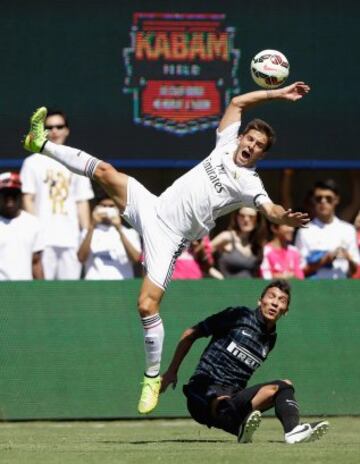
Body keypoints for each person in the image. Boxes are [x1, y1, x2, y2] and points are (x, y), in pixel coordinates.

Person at [23, 81, 310, 414]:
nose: (252, 145)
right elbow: (237, 102)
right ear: (243, 136)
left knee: (146, 306)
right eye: (251, 138)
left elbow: (270, 209)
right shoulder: (225, 142)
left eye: (259, 145)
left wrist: (284, 218)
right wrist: (277, 94)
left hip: (171, 237)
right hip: (153, 208)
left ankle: (151, 377)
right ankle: (39, 142)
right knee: (104, 172)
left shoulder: (250, 183)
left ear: (262, 153)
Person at [161, 280, 329, 444]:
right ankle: (239, 425)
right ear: (260, 300)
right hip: (203, 391)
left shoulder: (271, 339)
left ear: (286, 311)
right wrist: (171, 371)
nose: (275, 303)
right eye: (271, 297)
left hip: (234, 398)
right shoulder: (239, 315)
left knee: (284, 385)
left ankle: (292, 431)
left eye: (281, 301)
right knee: (221, 402)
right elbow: (191, 333)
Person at [20, 109, 94, 280]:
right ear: (43, 131)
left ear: (66, 130)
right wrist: (36, 231)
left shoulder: (77, 160)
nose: (54, 131)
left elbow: (82, 201)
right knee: (43, 292)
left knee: (70, 292)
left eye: (59, 126)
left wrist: (85, 234)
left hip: (71, 239)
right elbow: (27, 198)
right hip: (43, 239)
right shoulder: (32, 162)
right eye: (49, 127)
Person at [295, 179, 360, 279]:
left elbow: (355, 270)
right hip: (314, 290)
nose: (323, 201)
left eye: (328, 198)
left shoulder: (348, 230)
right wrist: (324, 260)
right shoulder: (304, 232)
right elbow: (299, 271)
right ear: (313, 200)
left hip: (342, 288)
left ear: (336, 200)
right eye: (318, 198)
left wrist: (348, 257)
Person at [78, 196, 142, 280]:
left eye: (111, 206)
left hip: (122, 285)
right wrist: (92, 225)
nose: (107, 209)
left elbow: (136, 259)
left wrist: (119, 229)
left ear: (118, 209)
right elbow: (81, 258)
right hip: (93, 285)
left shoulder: (130, 233)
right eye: (103, 206)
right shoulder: (87, 232)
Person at [0, 172, 44, 280]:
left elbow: (36, 263)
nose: (9, 199)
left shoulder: (33, 224)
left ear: (20, 195)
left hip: (24, 291)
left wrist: (43, 294)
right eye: (5, 194)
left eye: (13, 194)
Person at [211, 207, 266, 278]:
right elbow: (201, 256)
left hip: (250, 287)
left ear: (258, 220)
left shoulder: (257, 243)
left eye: (251, 217)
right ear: (236, 217)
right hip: (227, 287)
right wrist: (218, 276)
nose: (246, 219)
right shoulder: (226, 237)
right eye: (242, 216)